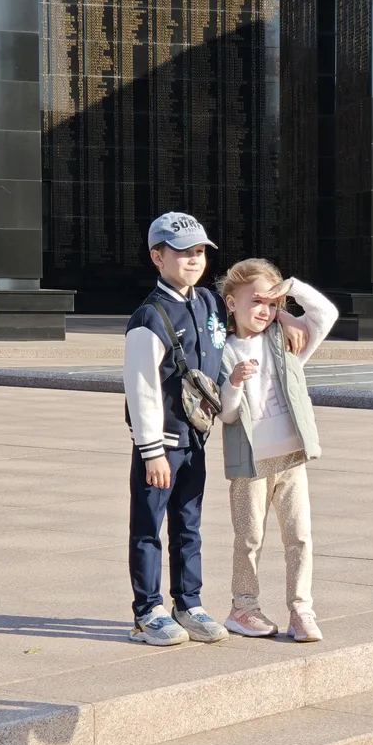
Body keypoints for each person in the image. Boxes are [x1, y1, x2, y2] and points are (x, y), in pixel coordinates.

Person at [122, 212, 232, 646]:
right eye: (183, 252)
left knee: (189, 525)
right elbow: (142, 390)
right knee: (148, 528)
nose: (194, 259)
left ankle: (189, 603)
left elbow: (236, 334)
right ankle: (147, 611)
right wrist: (151, 452)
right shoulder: (148, 317)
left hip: (196, 440)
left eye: (200, 251)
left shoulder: (208, 302)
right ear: (157, 256)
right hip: (162, 444)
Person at [217, 258, 339, 643]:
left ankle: (301, 609)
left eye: (271, 303)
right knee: (248, 539)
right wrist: (234, 382)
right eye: (256, 301)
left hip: (291, 458)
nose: (265, 310)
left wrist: (291, 290)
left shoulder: (287, 340)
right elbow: (227, 413)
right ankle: (243, 608)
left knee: (299, 536)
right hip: (250, 463)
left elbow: (326, 314)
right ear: (231, 302)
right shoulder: (222, 349)